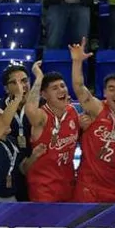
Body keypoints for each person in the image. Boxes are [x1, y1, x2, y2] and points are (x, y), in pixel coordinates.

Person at [68, 41, 115, 203]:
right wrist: (77, 62)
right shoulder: (96, 109)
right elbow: (78, 87)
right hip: (88, 186)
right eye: (111, 89)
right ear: (104, 93)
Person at [24, 64, 80, 202]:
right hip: (44, 186)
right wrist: (39, 77)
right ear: (44, 95)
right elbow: (30, 109)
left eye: (62, 86)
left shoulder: (72, 112)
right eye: (55, 88)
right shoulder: (42, 116)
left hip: (68, 183)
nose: (61, 90)